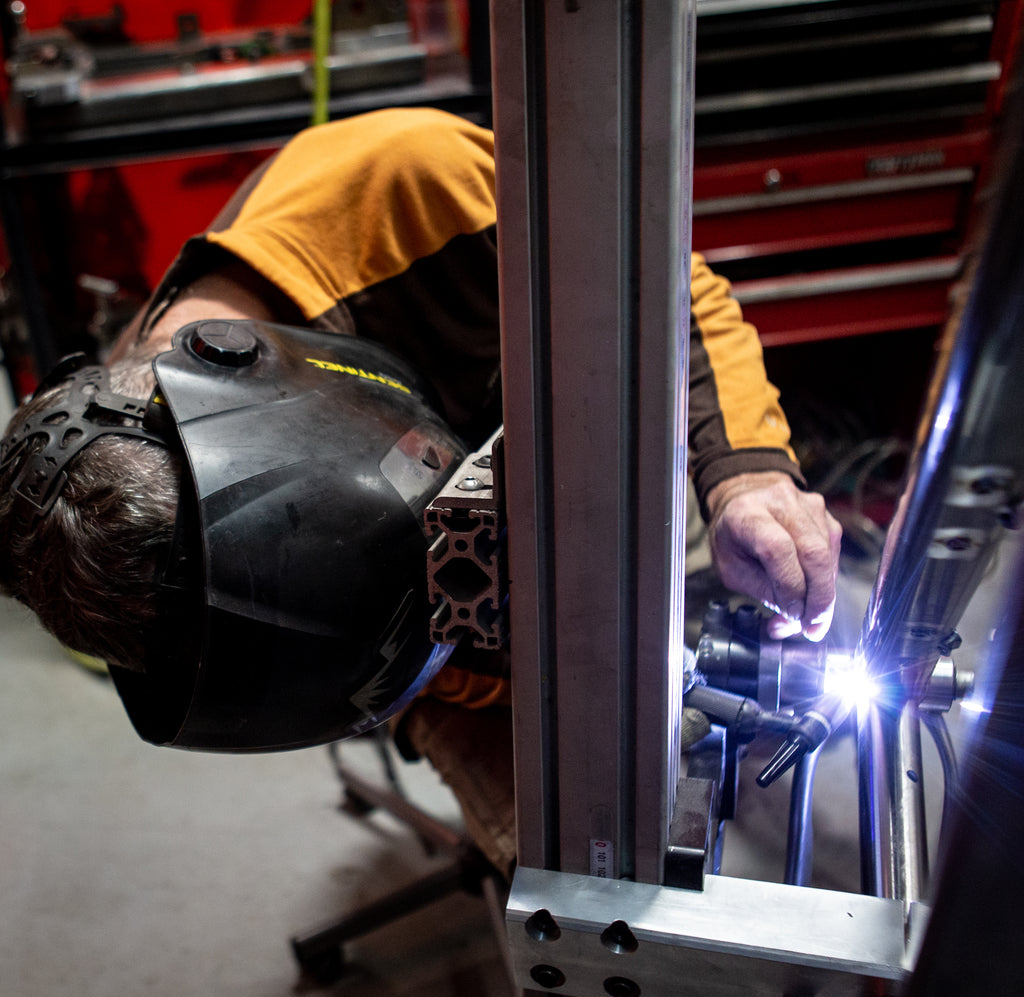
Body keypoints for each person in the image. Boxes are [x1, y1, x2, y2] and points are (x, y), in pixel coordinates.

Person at [0, 106, 840, 874]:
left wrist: (746, 475)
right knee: (588, 864)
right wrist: (468, 694)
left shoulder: (408, 186)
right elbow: (333, 661)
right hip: (407, 650)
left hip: (572, 452)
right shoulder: (161, 559)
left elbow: (663, 285)